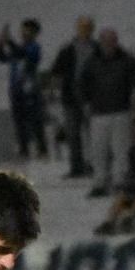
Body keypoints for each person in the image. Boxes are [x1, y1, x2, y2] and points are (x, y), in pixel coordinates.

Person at [79, 28, 135, 198]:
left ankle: (120, 184)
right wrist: (85, 103)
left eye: (113, 41)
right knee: (99, 151)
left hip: (121, 112)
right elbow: (81, 84)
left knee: (122, 151)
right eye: (106, 41)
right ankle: (100, 183)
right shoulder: (91, 62)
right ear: (101, 42)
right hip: (98, 114)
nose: (110, 44)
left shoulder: (127, 60)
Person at [50, 16, 97, 178]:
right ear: (77, 29)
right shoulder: (67, 50)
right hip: (71, 96)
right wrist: (55, 94)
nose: (85, 30)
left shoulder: (98, 49)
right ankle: (76, 167)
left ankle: (94, 165)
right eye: (82, 27)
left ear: (92, 29)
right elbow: (56, 73)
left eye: (88, 27)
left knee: (95, 134)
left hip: (93, 97)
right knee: (73, 134)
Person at [0, 19, 46, 161]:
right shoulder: (17, 48)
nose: (24, 33)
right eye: (22, 30)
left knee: (35, 120)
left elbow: (22, 54)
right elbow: (2, 58)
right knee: (19, 121)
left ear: (34, 33)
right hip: (16, 89)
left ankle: (42, 148)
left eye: (27, 30)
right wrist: (0, 43)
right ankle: (23, 149)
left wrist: (9, 41)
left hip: (30, 89)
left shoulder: (34, 47)